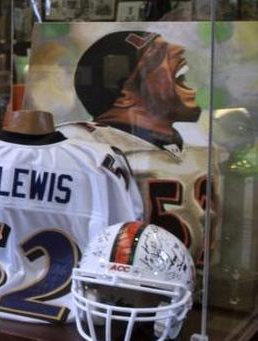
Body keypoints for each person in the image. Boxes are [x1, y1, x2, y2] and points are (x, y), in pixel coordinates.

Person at [61, 31, 217, 261]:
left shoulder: (198, 140)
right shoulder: (84, 147)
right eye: (157, 55)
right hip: (123, 276)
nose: (178, 49)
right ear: (125, 96)